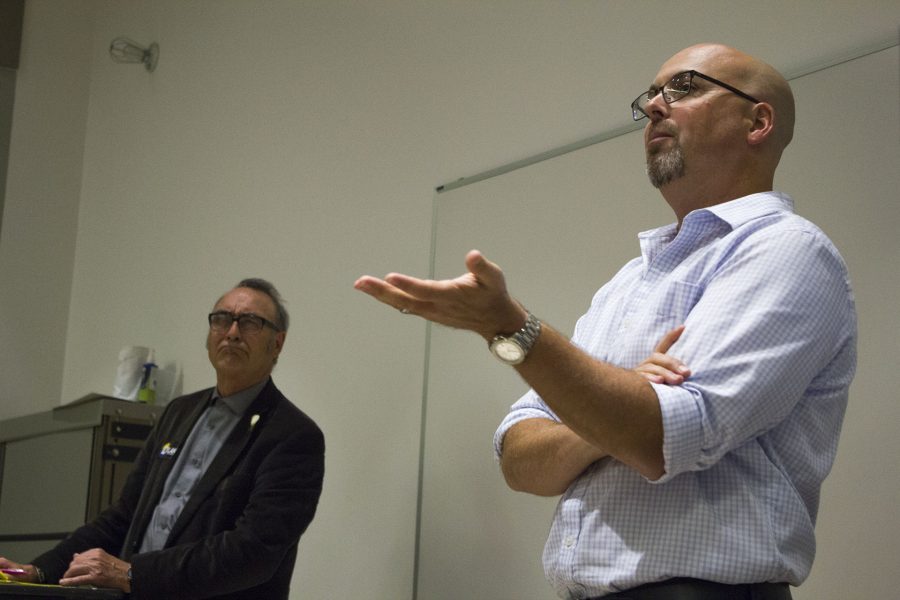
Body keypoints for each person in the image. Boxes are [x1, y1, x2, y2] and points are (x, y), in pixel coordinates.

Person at [353, 43, 856, 599]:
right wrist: (610, 414)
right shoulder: (627, 283)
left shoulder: (786, 250)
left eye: (684, 87)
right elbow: (520, 462)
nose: (656, 106)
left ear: (757, 121)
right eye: (651, 97)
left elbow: (659, 437)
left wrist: (511, 327)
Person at [0, 278, 325, 600]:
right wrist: (39, 571)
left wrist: (130, 574)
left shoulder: (293, 435)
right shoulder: (179, 412)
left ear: (277, 343)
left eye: (251, 322)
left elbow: (252, 552)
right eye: (222, 319)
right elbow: (123, 517)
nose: (232, 332)